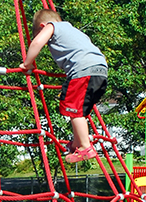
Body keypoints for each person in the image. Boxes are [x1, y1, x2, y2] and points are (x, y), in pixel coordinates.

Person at [19, 9, 108, 163]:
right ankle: (77, 143)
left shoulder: (51, 27)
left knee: (74, 110)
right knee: (79, 111)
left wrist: (27, 63)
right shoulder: (73, 30)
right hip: (101, 71)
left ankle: (86, 147)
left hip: (82, 71)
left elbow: (37, 43)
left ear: (42, 26)